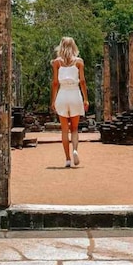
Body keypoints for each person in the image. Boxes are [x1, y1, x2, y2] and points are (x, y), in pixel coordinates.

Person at [51, 37, 89, 168]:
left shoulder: (57, 62)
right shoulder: (79, 62)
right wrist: (85, 98)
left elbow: (55, 83)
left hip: (62, 94)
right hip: (74, 94)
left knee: (64, 130)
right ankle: (75, 150)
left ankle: (67, 159)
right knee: (74, 128)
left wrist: (53, 100)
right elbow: (82, 82)